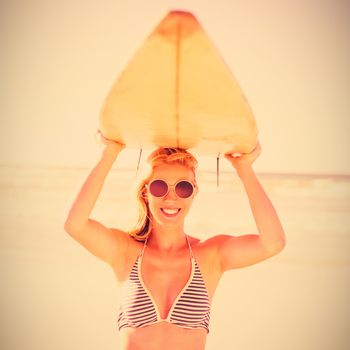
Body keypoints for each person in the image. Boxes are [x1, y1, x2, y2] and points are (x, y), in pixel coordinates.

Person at [64, 132, 286, 350]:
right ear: (145, 192)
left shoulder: (210, 254)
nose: (171, 197)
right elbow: (75, 224)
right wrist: (109, 153)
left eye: (183, 187)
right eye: (159, 186)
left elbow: (273, 242)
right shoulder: (125, 251)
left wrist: (245, 169)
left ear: (193, 193)